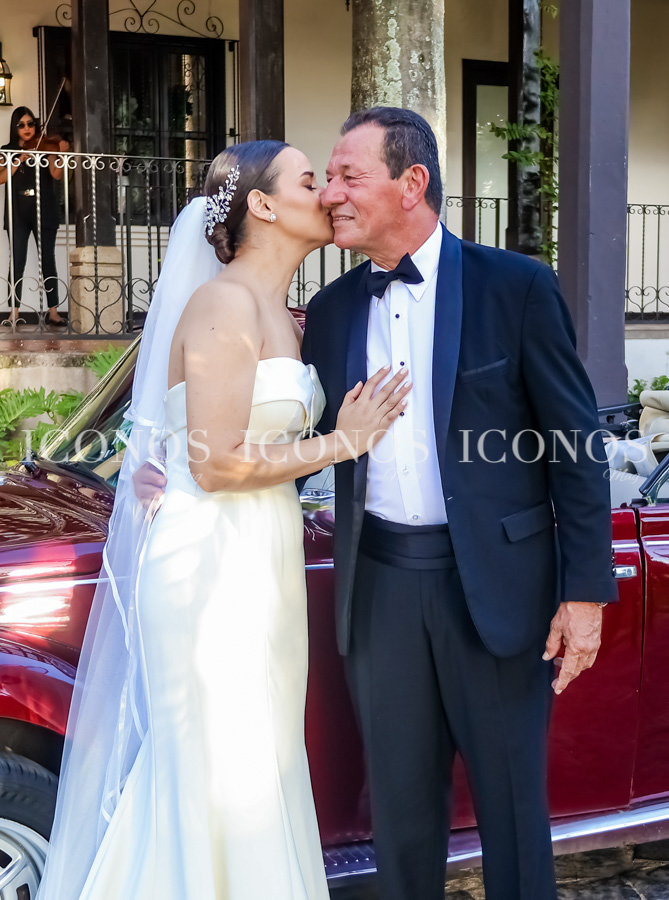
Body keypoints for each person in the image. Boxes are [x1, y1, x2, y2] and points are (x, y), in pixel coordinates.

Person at [36, 140, 411, 899]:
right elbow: (215, 464)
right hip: (207, 565)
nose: (328, 193)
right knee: (217, 770)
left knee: (260, 765)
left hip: (263, 557)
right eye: (311, 180)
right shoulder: (222, 304)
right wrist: (344, 441)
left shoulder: (283, 313)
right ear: (263, 205)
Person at [300, 107, 618, 900]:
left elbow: (576, 448)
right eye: (327, 177)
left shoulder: (517, 287)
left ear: (411, 183)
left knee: (512, 812)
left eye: (347, 176)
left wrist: (584, 593)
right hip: (378, 592)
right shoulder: (331, 311)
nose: (330, 193)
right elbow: (290, 436)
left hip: (499, 591)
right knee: (400, 819)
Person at [0, 106, 68, 326]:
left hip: (44, 208)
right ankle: (14, 312)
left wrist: (61, 154)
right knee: (17, 261)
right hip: (17, 210)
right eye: (21, 125)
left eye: (30, 123)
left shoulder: (45, 147)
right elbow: (1, 178)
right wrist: (18, 160)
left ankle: (53, 312)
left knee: (47, 259)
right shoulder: (7, 150)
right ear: (15, 128)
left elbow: (56, 175)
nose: (27, 128)